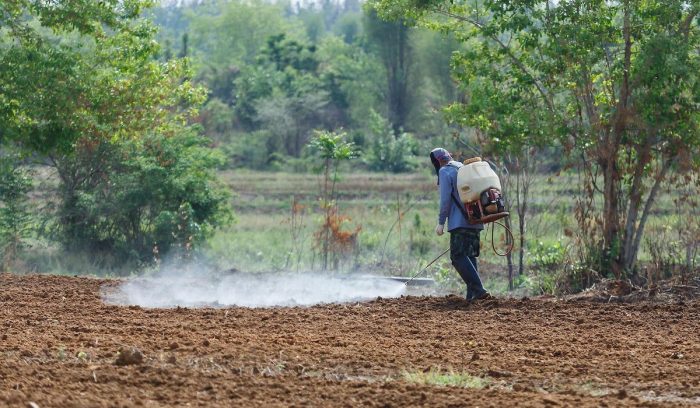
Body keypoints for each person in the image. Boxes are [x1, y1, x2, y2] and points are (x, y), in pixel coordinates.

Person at [430, 147, 491, 301]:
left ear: (437, 161)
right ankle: (472, 297)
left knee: (457, 256)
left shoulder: (445, 172)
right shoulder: (463, 168)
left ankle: (479, 291)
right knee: (469, 256)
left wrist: (441, 222)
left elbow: (445, 200)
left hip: (460, 222)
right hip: (476, 220)